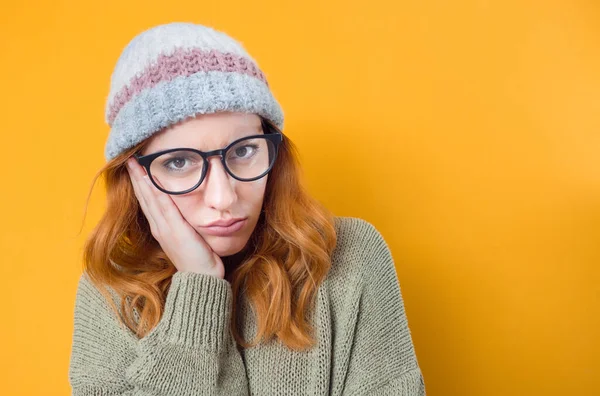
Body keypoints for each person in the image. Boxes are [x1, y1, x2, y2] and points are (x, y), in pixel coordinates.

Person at [68, 22, 426, 395]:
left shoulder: (350, 254)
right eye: (178, 162)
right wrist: (199, 289)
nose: (223, 198)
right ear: (136, 176)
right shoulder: (110, 288)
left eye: (243, 151)